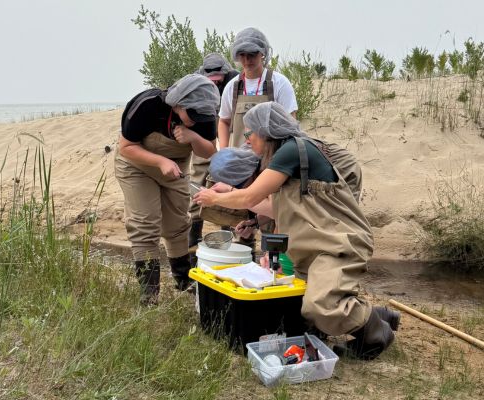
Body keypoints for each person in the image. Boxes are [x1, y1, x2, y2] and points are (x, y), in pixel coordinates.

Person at [194, 102, 400, 360]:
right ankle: (377, 315)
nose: (248, 141)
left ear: (266, 133)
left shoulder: (291, 149)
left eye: (250, 134)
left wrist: (214, 198)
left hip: (338, 242)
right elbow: (278, 205)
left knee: (320, 306)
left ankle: (376, 333)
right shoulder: (286, 155)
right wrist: (253, 220)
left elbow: (250, 199)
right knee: (302, 303)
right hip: (319, 244)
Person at [115, 74, 220, 305]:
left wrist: (192, 136)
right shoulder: (147, 105)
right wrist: (160, 162)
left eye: (201, 116)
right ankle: (149, 292)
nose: (196, 120)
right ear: (178, 103)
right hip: (136, 166)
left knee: (177, 223)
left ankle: (183, 280)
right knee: (146, 222)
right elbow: (126, 147)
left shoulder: (203, 113)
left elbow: (209, 151)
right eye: (191, 115)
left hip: (175, 168)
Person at [188, 53, 239, 259]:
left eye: (219, 81)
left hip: (228, 127)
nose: (216, 85)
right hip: (205, 126)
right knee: (199, 175)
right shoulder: (196, 81)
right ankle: (194, 230)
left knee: (227, 177)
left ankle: (227, 227)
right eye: (212, 82)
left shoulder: (235, 79)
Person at [218, 27, 298, 149]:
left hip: (271, 162)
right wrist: (224, 154)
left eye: (252, 54)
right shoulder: (232, 87)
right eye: (242, 55)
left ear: (262, 53)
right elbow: (224, 121)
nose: (247, 60)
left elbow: (291, 125)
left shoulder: (279, 83)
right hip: (238, 162)